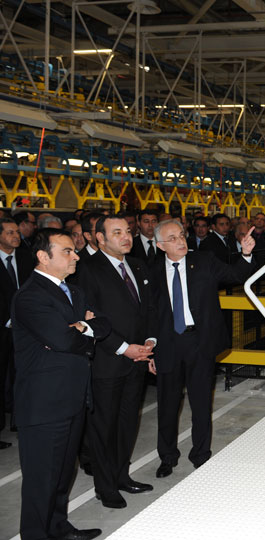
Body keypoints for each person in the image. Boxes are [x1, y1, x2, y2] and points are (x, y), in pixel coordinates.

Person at [13, 228, 110, 540]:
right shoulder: (31, 297)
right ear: (43, 258)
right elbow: (62, 340)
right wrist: (84, 329)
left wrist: (81, 326)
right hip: (44, 405)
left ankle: (58, 528)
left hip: (72, 398)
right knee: (42, 479)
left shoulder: (74, 291)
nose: (76, 256)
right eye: (67, 251)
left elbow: (103, 324)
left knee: (63, 474)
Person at [149, 220, 256, 478]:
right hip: (167, 345)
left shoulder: (204, 261)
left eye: (181, 235)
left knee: (200, 402)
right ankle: (167, 456)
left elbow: (235, 275)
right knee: (167, 405)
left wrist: (246, 254)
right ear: (161, 245)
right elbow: (148, 314)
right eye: (172, 238)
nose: (181, 241)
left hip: (199, 342)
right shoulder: (150, 271)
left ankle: (201, 454)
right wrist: (149, 346)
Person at [76, 216, 156, 509]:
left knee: (127, 424)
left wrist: (150, 343)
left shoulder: (136, 266)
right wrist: (124, 349)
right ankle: (105, 486)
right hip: (108, 363)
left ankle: (122, 476)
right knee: (104, 428)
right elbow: (91, 318)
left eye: (128, 232)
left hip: (136, 361)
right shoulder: (87, 270)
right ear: (99, 238)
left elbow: (147, 309)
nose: (126, 237)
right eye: (117, 232)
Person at [0, 217, 33, 447]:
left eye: (16, 232)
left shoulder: (25, 257)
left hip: (25, 327)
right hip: (2, 328)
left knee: (22, 374)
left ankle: (18, 419)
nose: (16, 236)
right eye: (10, 232)